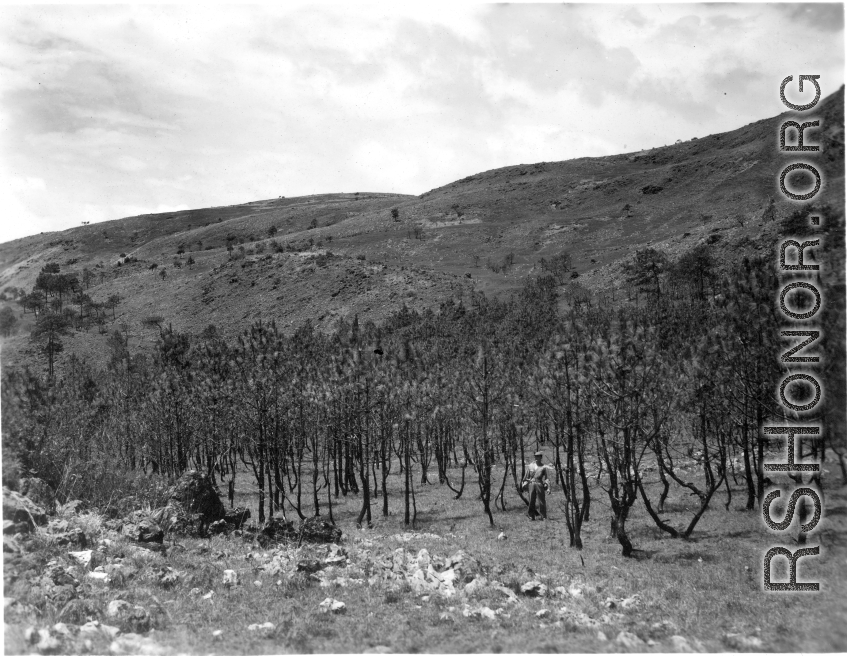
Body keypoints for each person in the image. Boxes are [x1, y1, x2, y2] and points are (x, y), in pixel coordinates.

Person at [522, 451, 549, 520]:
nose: (536, 458)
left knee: (541, 501)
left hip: (539, 483)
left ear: (541, 457)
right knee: (531, 500)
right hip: (531, 483)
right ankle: (531, 516)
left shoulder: (543, 467)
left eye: (538, 456)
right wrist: (524, 483)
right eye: (535, 456)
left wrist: (547, 486)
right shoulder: (530, 466)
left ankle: (544, 516)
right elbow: (526, 476)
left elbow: (546, 478)